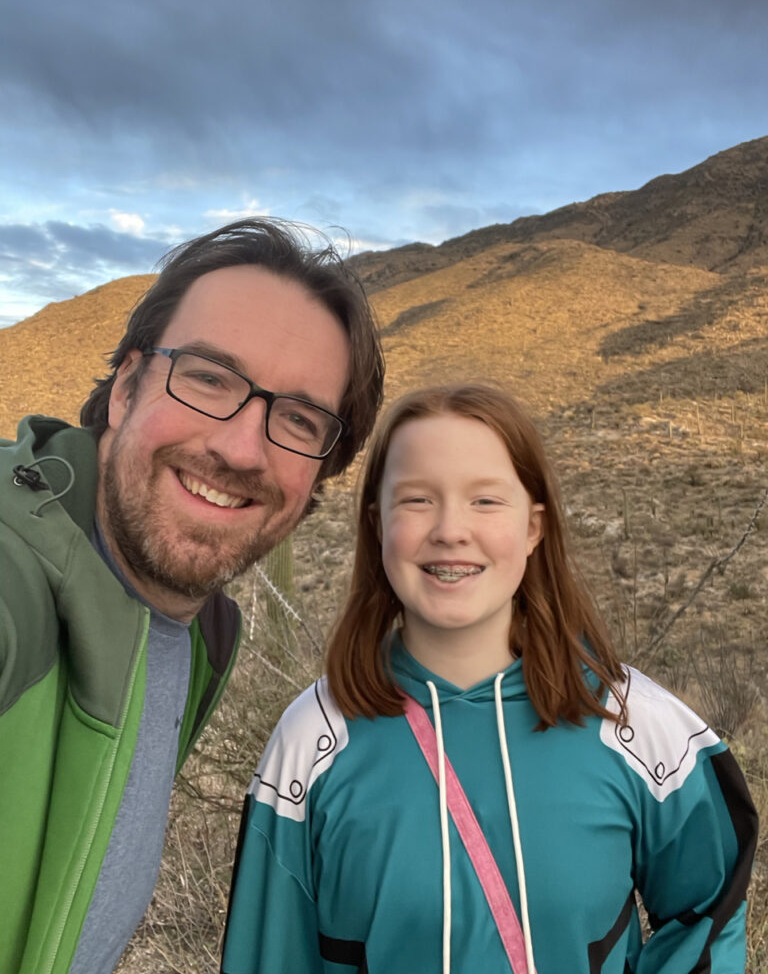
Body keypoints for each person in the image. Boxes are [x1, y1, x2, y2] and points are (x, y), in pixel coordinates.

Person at [222, 384, 757, 974]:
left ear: (533, 528)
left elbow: (709, 911)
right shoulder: (310, 742)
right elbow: (268, 957)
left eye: (485, 501)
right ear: (377, 525)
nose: (451, 530)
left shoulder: (634, 723)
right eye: (418, 500)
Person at [0, 218, 384, 974]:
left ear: (319, 478)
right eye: (209, 376)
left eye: (299, 419)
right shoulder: (18, 582)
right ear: (126, 387)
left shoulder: (200, 631)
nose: (241, 447)